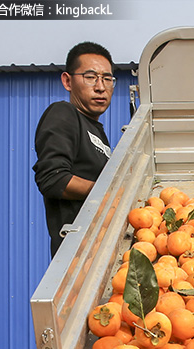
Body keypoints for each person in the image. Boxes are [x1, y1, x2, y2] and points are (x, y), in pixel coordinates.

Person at [33, 42, 116, 257]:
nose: (101, 87)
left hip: (97, 252)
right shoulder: (63, 113)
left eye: (107, 78)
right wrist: (110, 194)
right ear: (67, 81)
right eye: (90, 77)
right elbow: (53, 178)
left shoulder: (97, 132)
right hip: (77, 257)